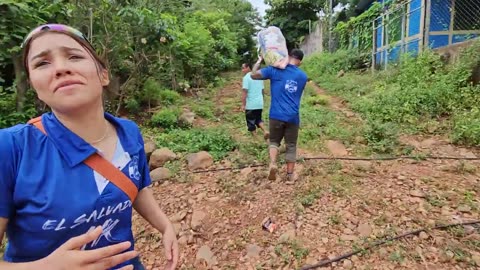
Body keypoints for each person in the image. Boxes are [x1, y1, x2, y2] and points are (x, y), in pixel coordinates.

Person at [0, 24, 178, 270]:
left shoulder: (128, 132)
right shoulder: (11, 148)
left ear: (103, 75)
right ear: (35, 87)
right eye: (42, 63)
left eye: (74, 56)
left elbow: (135, 187)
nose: (61, 68)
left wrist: (165, 225)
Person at [251, 49, 308, 183]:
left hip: (276, 115)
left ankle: (272, 164)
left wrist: (260, 60)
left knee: (274, 141)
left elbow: (253, 75)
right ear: (300, 61)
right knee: (291, 145)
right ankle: (289, 175)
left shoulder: (274, 70)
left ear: (288, 56)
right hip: (292, 117)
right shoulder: (303, 76)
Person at [241, 62, 268, 139]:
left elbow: (244, 92)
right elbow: (262, 90)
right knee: (258, 119)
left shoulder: (246, 78)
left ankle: (256, 139)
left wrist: (243, 104)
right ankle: (265, 131)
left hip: (251, 104)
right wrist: (262, 100)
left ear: (248, 68)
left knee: (250, 122)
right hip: (259, 103)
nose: (242, 70)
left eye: (243, 68)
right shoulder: (259, 77)